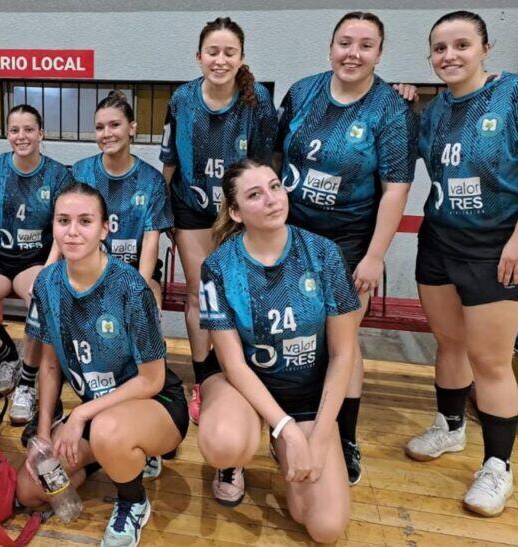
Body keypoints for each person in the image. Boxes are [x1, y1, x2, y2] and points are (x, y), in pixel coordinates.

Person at [405, 10, 518, 518]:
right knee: (449, 343)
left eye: (461, 45)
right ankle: (450, 428)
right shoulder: (432, 113)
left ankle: (498, 466)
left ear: (485, 48)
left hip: (498, 247)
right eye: (439, 48)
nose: (449, 55)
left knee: (490, 360)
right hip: (439, 241)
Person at [271, 11, 418, 485]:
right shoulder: (302, 92)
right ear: (330, 47)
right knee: (291, 333)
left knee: (342, 344)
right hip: (290, 236)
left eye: (366, 45)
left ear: (380, 52)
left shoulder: (391, 110)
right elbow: (273, 162)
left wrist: (375, 255)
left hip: (349, 243)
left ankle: (345, 437)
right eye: (345, 42)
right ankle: (287, 424)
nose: (353, 53)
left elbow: (396, 187)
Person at [16, 183, 188, 547]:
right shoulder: (47, 282)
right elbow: (49, 366)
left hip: (157, 404)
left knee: (108, 430)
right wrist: (44, 436)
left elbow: (152, 379)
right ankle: (119, 457)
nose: (73, 231)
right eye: (64, 221)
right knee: (31, 489)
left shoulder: (130, 287)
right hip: (101, 411)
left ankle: (133, 501)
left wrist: (79, 417)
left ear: (105, 228)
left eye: (85, 221)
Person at [196, 160, 360, 542]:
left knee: (325, 528)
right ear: (235, 212)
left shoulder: (324, 253)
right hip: (247, 391)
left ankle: (283, 442)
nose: (271, 200)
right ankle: (239, 460)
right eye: (255, 195)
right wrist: (288, 430)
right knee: (223, 443)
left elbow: (343, 355)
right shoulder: (218, 267)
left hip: (306, 396)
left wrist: (317, 438)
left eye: (275, 186)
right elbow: (233, 363)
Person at [160, 16, 277, 427]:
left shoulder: (258, 101)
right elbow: (170, 159)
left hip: (238, 212)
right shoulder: (182, 99)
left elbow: (266, 163)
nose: (220, 59)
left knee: (239, 296)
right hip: (192, 208)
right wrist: (163, 215)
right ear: (199, 57)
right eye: (213, 51)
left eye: (229, 52)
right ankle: (204, 378)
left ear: (241, 57)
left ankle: (243, 373)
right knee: (198, 296)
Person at [0, 104, 72, 425]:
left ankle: (26, 382)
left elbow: (60, 231)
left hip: (34, 261)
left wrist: (49, 270)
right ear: (7, 134)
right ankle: (5, 353)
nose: (21, 136)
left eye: (28, 130)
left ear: (41, 133)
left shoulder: (59, 175)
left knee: (43, 304)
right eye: (14, 130)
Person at [72, 90, 173, 302]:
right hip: (89, 268)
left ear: (132, 128)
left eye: (114, 125)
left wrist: (140, 290)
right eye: (100, 128)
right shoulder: (81, 172)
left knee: (147, 306)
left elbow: (150, 241)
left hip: (136, 270)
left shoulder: (151, 180)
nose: (106, 133)